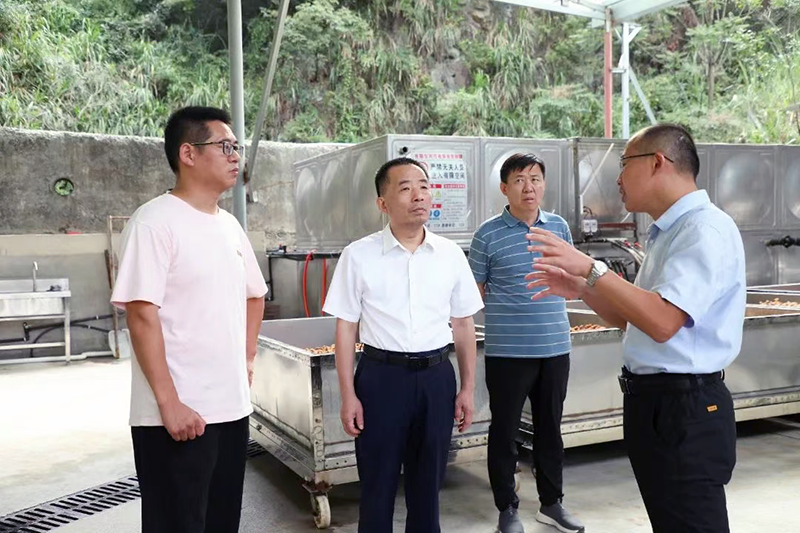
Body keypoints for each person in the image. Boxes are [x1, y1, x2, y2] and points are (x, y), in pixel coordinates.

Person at [526, 123, 745, 533]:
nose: (618, 178)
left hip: (684, 406)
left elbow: (662, 322)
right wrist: (583, 288)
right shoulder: (669, 231)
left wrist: (592, 269)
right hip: (659, 405)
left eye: (625, 164)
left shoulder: (703, 229)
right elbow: (636, 320)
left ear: (658, 162)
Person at [111, 106, 268, 533]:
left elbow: (255, 296)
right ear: (188, 153)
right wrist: (169, 403)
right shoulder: (154, 222)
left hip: (231, 409)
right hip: (177, 417)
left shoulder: (229, 226)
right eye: (225, 146)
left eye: (237, 147)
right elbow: (141, 315)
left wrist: (246, 359)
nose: (235, 156)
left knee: (221, 521)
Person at [323, 157, 484, 533]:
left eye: (424, 186)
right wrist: (348, 395)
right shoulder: (358, 255)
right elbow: (345, 329)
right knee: (377, 485)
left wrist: (467, 389)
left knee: (428, 485)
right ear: (383, 203)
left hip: (436, 379)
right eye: (406, 188)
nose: (419, 195)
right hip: (381, 379)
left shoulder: (450, 255)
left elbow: (463, 324)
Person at [469, 153, 584, 533]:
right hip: (508, 353)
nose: (529, 187)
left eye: (535, 179)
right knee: (504, 432)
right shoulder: (487, 235)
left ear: (544, 185)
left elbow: (572, 280)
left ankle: (552, 504)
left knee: (551, 429)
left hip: (555, 348)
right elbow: (473, 295)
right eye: (519, 180)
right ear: (505, 188)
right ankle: (507, 508)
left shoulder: (559, 227)